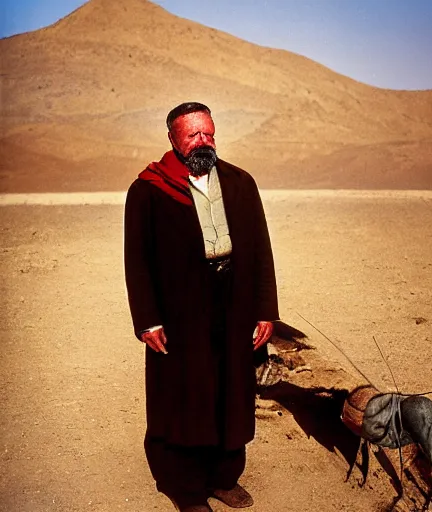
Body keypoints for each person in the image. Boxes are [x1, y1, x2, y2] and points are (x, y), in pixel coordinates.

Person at [124, 102, 279, 512]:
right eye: (193, 134)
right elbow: (137, 262)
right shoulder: (148, 189)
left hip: (235, 302)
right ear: (173, 139)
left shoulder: (241, 183)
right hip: (179, 311)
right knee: (185, 397)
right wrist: (148, 320)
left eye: (208, 132)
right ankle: (186, 488)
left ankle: (224, 477)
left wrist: (265, 310)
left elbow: (261, 250)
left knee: (232, 391)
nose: (203, 141)